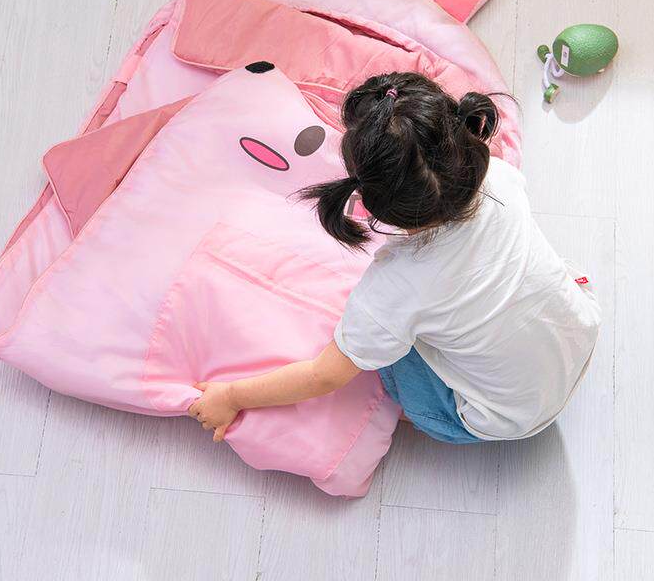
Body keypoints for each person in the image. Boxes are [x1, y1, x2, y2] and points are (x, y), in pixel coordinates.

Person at [189, 72, 599, 444]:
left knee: (385, 358)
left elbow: (323, 375)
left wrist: (231, 396)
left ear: (368, 205)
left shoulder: (392, 289)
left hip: (505, 418)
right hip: (578, 341)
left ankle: (427, 413)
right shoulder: (501, 177)